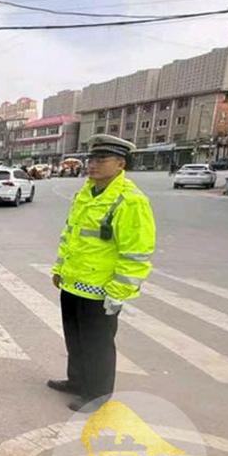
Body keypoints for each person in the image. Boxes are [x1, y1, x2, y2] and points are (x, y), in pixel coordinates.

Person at [47, 136, 156, 413]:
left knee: (97, 344)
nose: (92, 164)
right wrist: (60, 269)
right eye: (91, 159)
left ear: (120, 164)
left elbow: (136, 253)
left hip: (101, 289)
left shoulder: (130, 201)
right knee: (75, 338)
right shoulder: (85, 194)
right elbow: (70, 236)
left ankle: (97, 394)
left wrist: (118, 292)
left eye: (101, 160)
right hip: (73, 283)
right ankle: (77, 381)